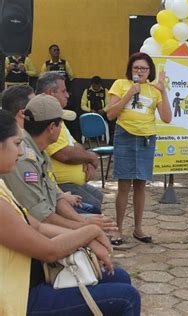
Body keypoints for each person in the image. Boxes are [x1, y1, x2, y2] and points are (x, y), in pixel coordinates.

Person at [0, 109, 140, 315]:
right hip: (17, 300)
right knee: (126, 298)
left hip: (28, 279)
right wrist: (90, 231)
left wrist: (86, 235)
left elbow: (38, 226)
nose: (20, 152)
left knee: (118, 277)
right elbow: (49, 250)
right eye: (16, 144)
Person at [0, 94, 115, 231]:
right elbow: (42, 216)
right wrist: (84, 228)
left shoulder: (40, 151)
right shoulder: (24, 158)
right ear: (52, 127)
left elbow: (57, 196)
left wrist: (83, 222)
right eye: (60, 123)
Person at [106, 52, 172, 245]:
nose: (140, 71)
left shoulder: (154, 90)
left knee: (141, 184)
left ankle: (138, 228)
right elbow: (111, 114)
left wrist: (163, 91)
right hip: (125, 136)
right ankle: (118, 230)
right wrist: (129, 94)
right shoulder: (120, 84)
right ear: (130, 69)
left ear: (149, 71)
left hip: (146, 139)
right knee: (124, 184)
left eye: (144, 68)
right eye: (136, 68)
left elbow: (167, 118)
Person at [0, 85, 88, 211]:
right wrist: (82, 227)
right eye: (16, 144)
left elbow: (54, 195)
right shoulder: (25, 155)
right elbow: (38, 217)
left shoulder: (40, 149)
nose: (19, 152)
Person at [37, 72, 104, 214]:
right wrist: (90, 157)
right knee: (93, 205)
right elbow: (63, 154)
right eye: (64, 91)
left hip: (70, 182)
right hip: (59, 185)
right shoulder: (45, 118)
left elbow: (75, 144)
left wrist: (85, 159)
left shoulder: (57, 116)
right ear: (50, 93)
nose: (67, 95)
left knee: (98, 196)